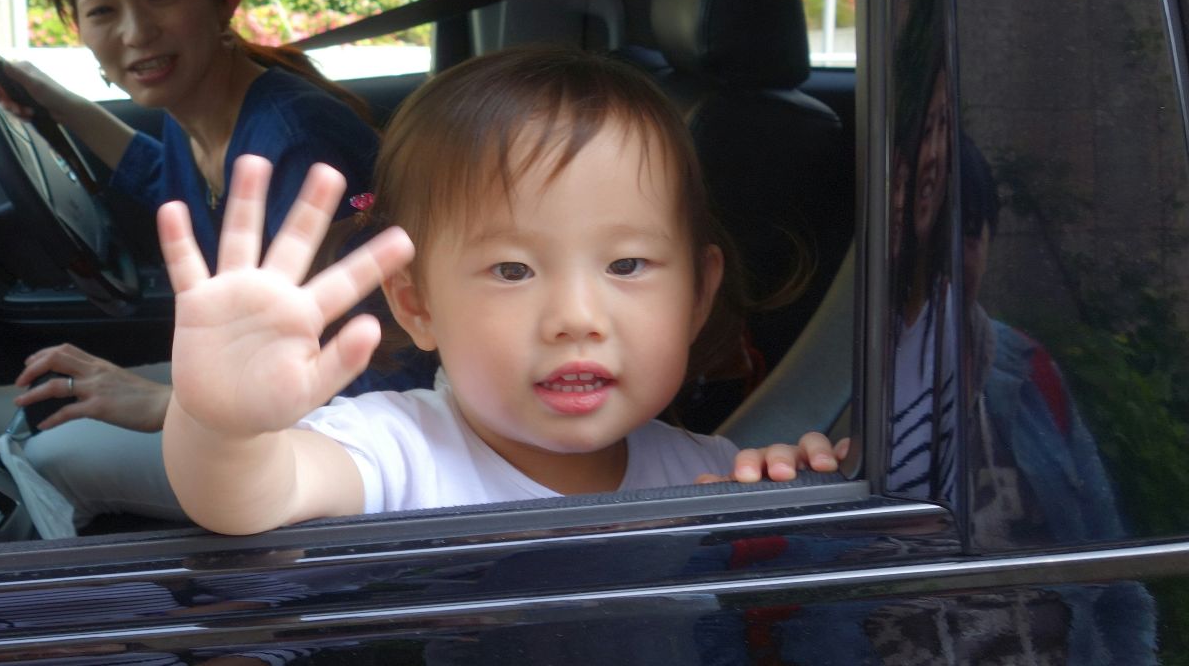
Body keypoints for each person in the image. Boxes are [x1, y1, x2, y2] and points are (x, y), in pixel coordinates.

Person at [162, 47, 840, 534]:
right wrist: (222, 426)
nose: (576, 318)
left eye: (628, 265)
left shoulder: (713, 475)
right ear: (416, 305)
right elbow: (249, 495)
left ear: (697, 297)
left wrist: (794, 497)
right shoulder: (395, 452)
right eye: (513, 271)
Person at [0, 0, 388, 527]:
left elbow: (347, 376)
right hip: (258, 384)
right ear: (77, 24)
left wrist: (160, 404)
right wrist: (58, 103)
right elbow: (160, 174)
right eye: (103, 10)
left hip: (343, 441)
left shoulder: (299, 146)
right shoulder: (197, 112)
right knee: (0, 407)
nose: (136, 32)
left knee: (44, 451)